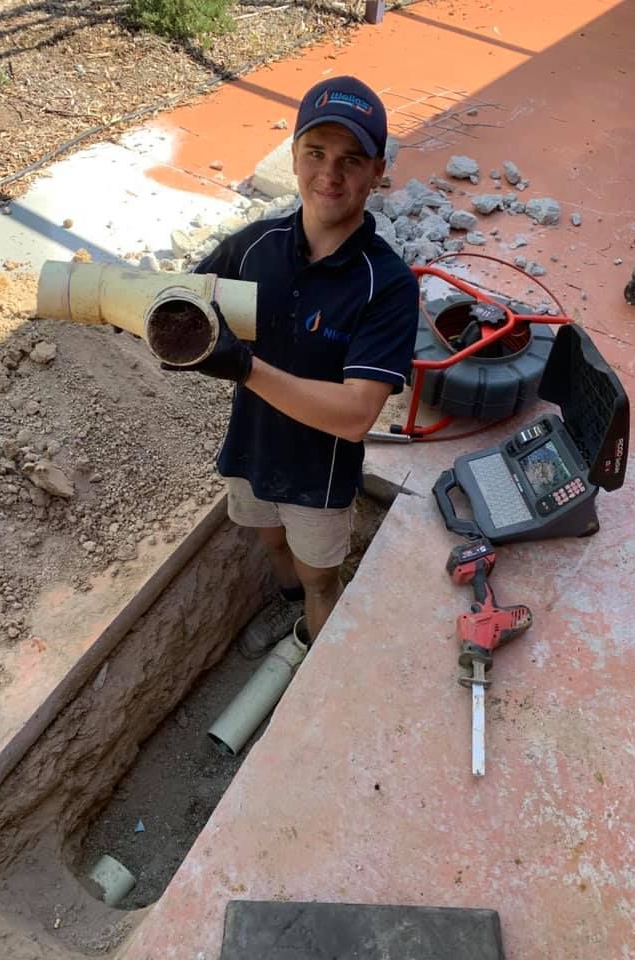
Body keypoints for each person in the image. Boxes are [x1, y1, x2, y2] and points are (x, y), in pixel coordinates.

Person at [166, 76, 420, 656]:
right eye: (316, 153)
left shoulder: (386, 285)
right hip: (251, 450)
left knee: (319, 577)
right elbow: (187, 299)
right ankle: (289, 611)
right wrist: (141, 315)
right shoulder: (255, 247)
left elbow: (355, 416)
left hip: (318, 476)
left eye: (351, 160)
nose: (330, 174)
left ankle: (313, 652)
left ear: (377, 171)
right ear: (294, 155)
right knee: (270, 542)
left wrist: (243, 367)